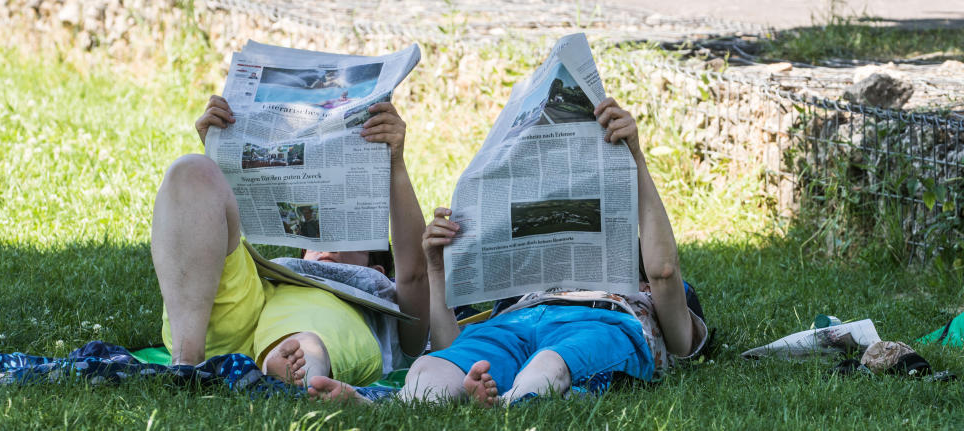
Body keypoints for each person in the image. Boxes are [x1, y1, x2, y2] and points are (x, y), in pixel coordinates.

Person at [307, 98, 709, 405]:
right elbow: (451, 348)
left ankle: (505, 407)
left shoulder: (645, 306)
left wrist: (634, 155)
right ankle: (381, 407)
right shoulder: (518, 297)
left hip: (592, 325)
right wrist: (437, 269)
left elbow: (665, 271)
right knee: (431, 367)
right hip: (513, 325)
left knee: (551, 362)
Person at [151, 95, 429, 387]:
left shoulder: (385, 302)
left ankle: (296, 366)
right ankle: (186, 362)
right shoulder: (281, 271)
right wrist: (222, 146)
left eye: (346, 239)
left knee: (306, 338)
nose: (329, 245)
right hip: (248, 305)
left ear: (377, 271)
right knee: (192, 171)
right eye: (320, 238)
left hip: (310, 331)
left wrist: (395, 161)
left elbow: (415, 273)